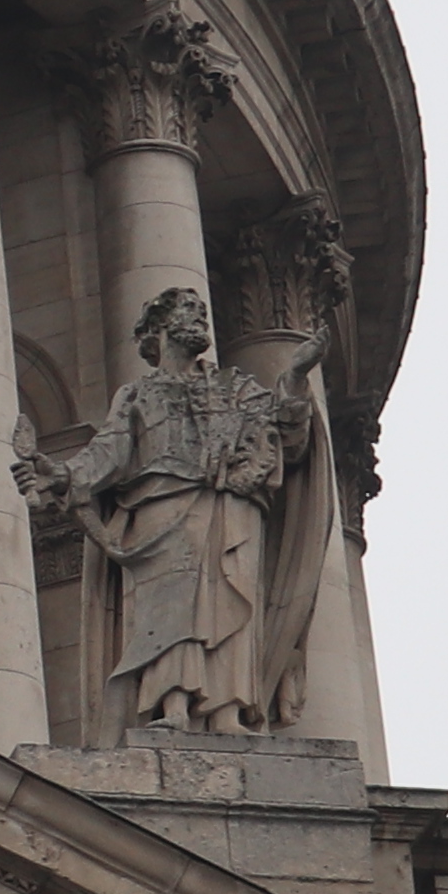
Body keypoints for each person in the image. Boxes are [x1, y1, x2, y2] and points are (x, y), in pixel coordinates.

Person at [62, 284, 337, 733]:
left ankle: (227, 710)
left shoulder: (237, 389)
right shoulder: (138, 397)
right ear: (159, 329)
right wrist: (63, 476)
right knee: (171, 610)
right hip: (163, 506)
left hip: (231, 505)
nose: (199, 320)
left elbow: (288, 438)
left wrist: (295, 379)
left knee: (230, 600)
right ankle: (171, 705)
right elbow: (107, 452)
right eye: (188, 311)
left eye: (201, 312)